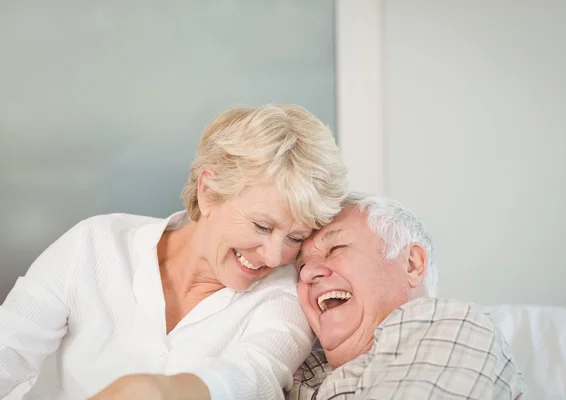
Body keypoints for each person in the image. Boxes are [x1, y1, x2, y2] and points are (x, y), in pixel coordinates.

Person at [0, 104, 348, 400]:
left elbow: (253, 376)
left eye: (295, 237)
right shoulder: (95, 244)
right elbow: (8, 351)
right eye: (262, 226)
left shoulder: (285, 294)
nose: (274, 257)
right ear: (208, 192)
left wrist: (156, 392)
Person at [288, 192, 528, 400]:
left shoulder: (451, 323)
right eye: (301, 267)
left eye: (335, 249)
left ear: (412, 264)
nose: (308, 273)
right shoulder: (296, 368)